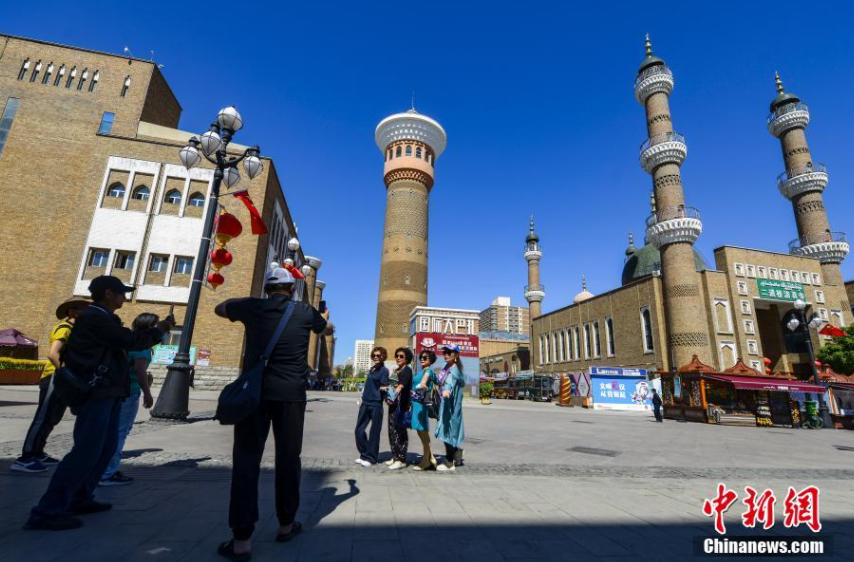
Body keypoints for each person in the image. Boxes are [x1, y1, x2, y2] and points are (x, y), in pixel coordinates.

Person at [24, 276, 174, 531]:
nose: (124, 297)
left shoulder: (103, 318)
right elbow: (132, 341)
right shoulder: (95, 318)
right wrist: (160, 329)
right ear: (108, 293)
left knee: (105, 447)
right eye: (121, 293)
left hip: (110, 393)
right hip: (97, 394)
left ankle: (80, 497)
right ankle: (47, 511)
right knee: (86, 450)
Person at [213, 264, 327, 561]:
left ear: (267, 290)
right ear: (291, 289)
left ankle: (241, 541)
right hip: (291, 395)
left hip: (255, 394)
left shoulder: (253, 307)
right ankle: (286, 525)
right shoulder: (304, 311)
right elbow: (323, 327)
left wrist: (244, 304)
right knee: (288, 459)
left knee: (246, 461)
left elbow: (220, 308)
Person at [13, 297, 90, 473]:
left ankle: (38, 452)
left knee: (53, 417)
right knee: (43, 417)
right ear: (72, 312)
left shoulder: (76, 330)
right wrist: (65, 373)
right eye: (84, 309)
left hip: (63, 380)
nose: (87, 312)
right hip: (54, 377)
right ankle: (26, 457)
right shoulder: (65, 328)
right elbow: (52, 353)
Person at [99, 313, 159, 486]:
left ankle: (101, 469)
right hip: (130, 390)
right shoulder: (143, 345)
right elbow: (140, 370)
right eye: (156, 326)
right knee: (120, 431)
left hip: (115, 389)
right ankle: (108, 473)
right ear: (150, 327)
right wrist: (147, 393)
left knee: (110, 430)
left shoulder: (128, 340)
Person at [354, 347, 389, 467]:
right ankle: (364, 454)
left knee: (374, 432)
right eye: (374, 355)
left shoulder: (384, 371)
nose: (376, 357)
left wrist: (384, 389)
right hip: (365, 402)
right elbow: (368, 386)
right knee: (359, 430)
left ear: (383, 356)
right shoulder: (372, 369)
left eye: (378, 355)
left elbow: (384, 385)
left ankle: (371, 458)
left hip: (376, 404)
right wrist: (362, 399)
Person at [435, 345, 465, 472]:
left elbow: (450, 382)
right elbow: (440, 381)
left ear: (456, 355)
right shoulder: (446, 367)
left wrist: (447, 390)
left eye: (449, 352)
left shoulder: (454, 370)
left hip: (451, 407)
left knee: (448, 431)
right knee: (446, 430)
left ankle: (449, 462)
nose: (446, 354)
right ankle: (456, 452)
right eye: (445, 352)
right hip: (446, 404)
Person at [385, 347, 413, 470]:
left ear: (406, 358)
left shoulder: (407, 370)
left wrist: (400, 387)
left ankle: (401, 459)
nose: (398, 358)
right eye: (397, 356)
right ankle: (395, 455)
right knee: (392, 431)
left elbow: (404, 381)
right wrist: (388, 395)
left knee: (399, 431)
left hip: (401, 405)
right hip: (392, 404)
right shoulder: (396, 370)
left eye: (401, 356)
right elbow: (391, 384)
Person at [410, 349, 437, 471]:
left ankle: (426, 461)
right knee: (420, 432)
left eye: (425, 358)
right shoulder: (420, 371)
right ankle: (431, 458)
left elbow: (424, 379)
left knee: (423, 432)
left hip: (421, 406)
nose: (422, 359)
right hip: (415, 404)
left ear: (430, 361)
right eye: (421, 357)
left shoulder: (428, 371)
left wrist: (423, 383)